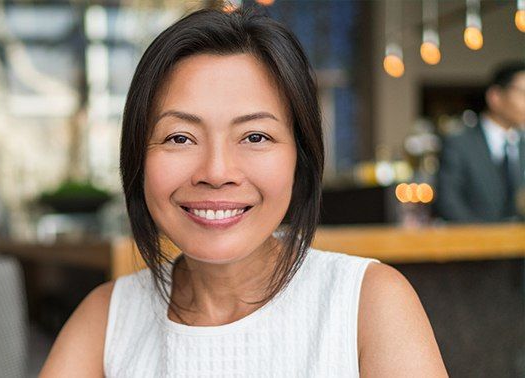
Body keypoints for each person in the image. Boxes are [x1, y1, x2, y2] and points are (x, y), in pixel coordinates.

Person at [41, 5, 446, 377]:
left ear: (299, 157)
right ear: (137, 158)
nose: (217, 172)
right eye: (180, 138)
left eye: (254, 136)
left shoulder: (367, 304)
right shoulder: (106, 318)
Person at [436, 62, 525, 222]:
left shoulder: (522, 143)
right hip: (475, 241)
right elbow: (448, 202)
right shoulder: (459, 143)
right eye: (523, 93)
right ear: (495, 97)